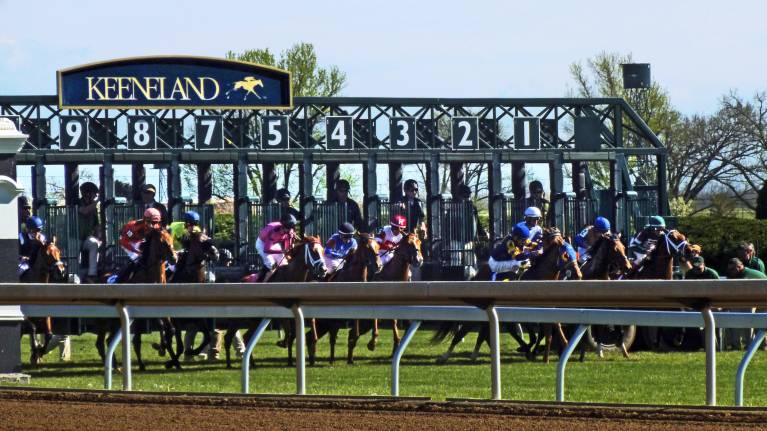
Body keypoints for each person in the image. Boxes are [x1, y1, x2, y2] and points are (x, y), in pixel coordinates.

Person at [117, 208, 163, 282]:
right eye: (150, 222)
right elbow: (124, 241)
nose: (153, 226)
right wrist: (136, 251)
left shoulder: (156, 226)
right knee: (136, 258)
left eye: (156, 222)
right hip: (128, 241)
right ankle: (119, 279)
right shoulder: (132, 227)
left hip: (139, 240)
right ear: (145, 220)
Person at [254, 213, 297, 281]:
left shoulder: (289, 231)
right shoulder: (274, 231)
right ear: (282, 226)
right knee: (271, 265)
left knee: (284, 263)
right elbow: (266, 249)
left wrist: (290, 245)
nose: (290, 231)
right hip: (262, 244)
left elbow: (287, 248)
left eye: (291, 228)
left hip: (273, 243)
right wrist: (282, 251)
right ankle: (262, 283)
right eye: (288, 229)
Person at [77, 182, 101, 283]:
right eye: (94, 194)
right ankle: (75, 275)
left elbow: (96, 225)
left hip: (86, 237)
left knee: (94, 244)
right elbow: (85, 211)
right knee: (75, 253)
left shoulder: (93, 208)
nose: (95, 196)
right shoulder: (77, 202)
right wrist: (98, 201)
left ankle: (92, 274)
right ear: (87, 193)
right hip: (74, 236)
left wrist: (99, 238)